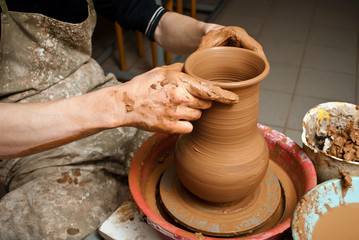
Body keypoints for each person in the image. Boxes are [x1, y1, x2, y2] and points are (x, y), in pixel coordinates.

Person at [0, 0, 266, 239]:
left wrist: (205, 32)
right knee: (52, 225)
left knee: (184, 152)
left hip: (92, 87)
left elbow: (154, 19)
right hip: (22, 131)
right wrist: (121, 104)